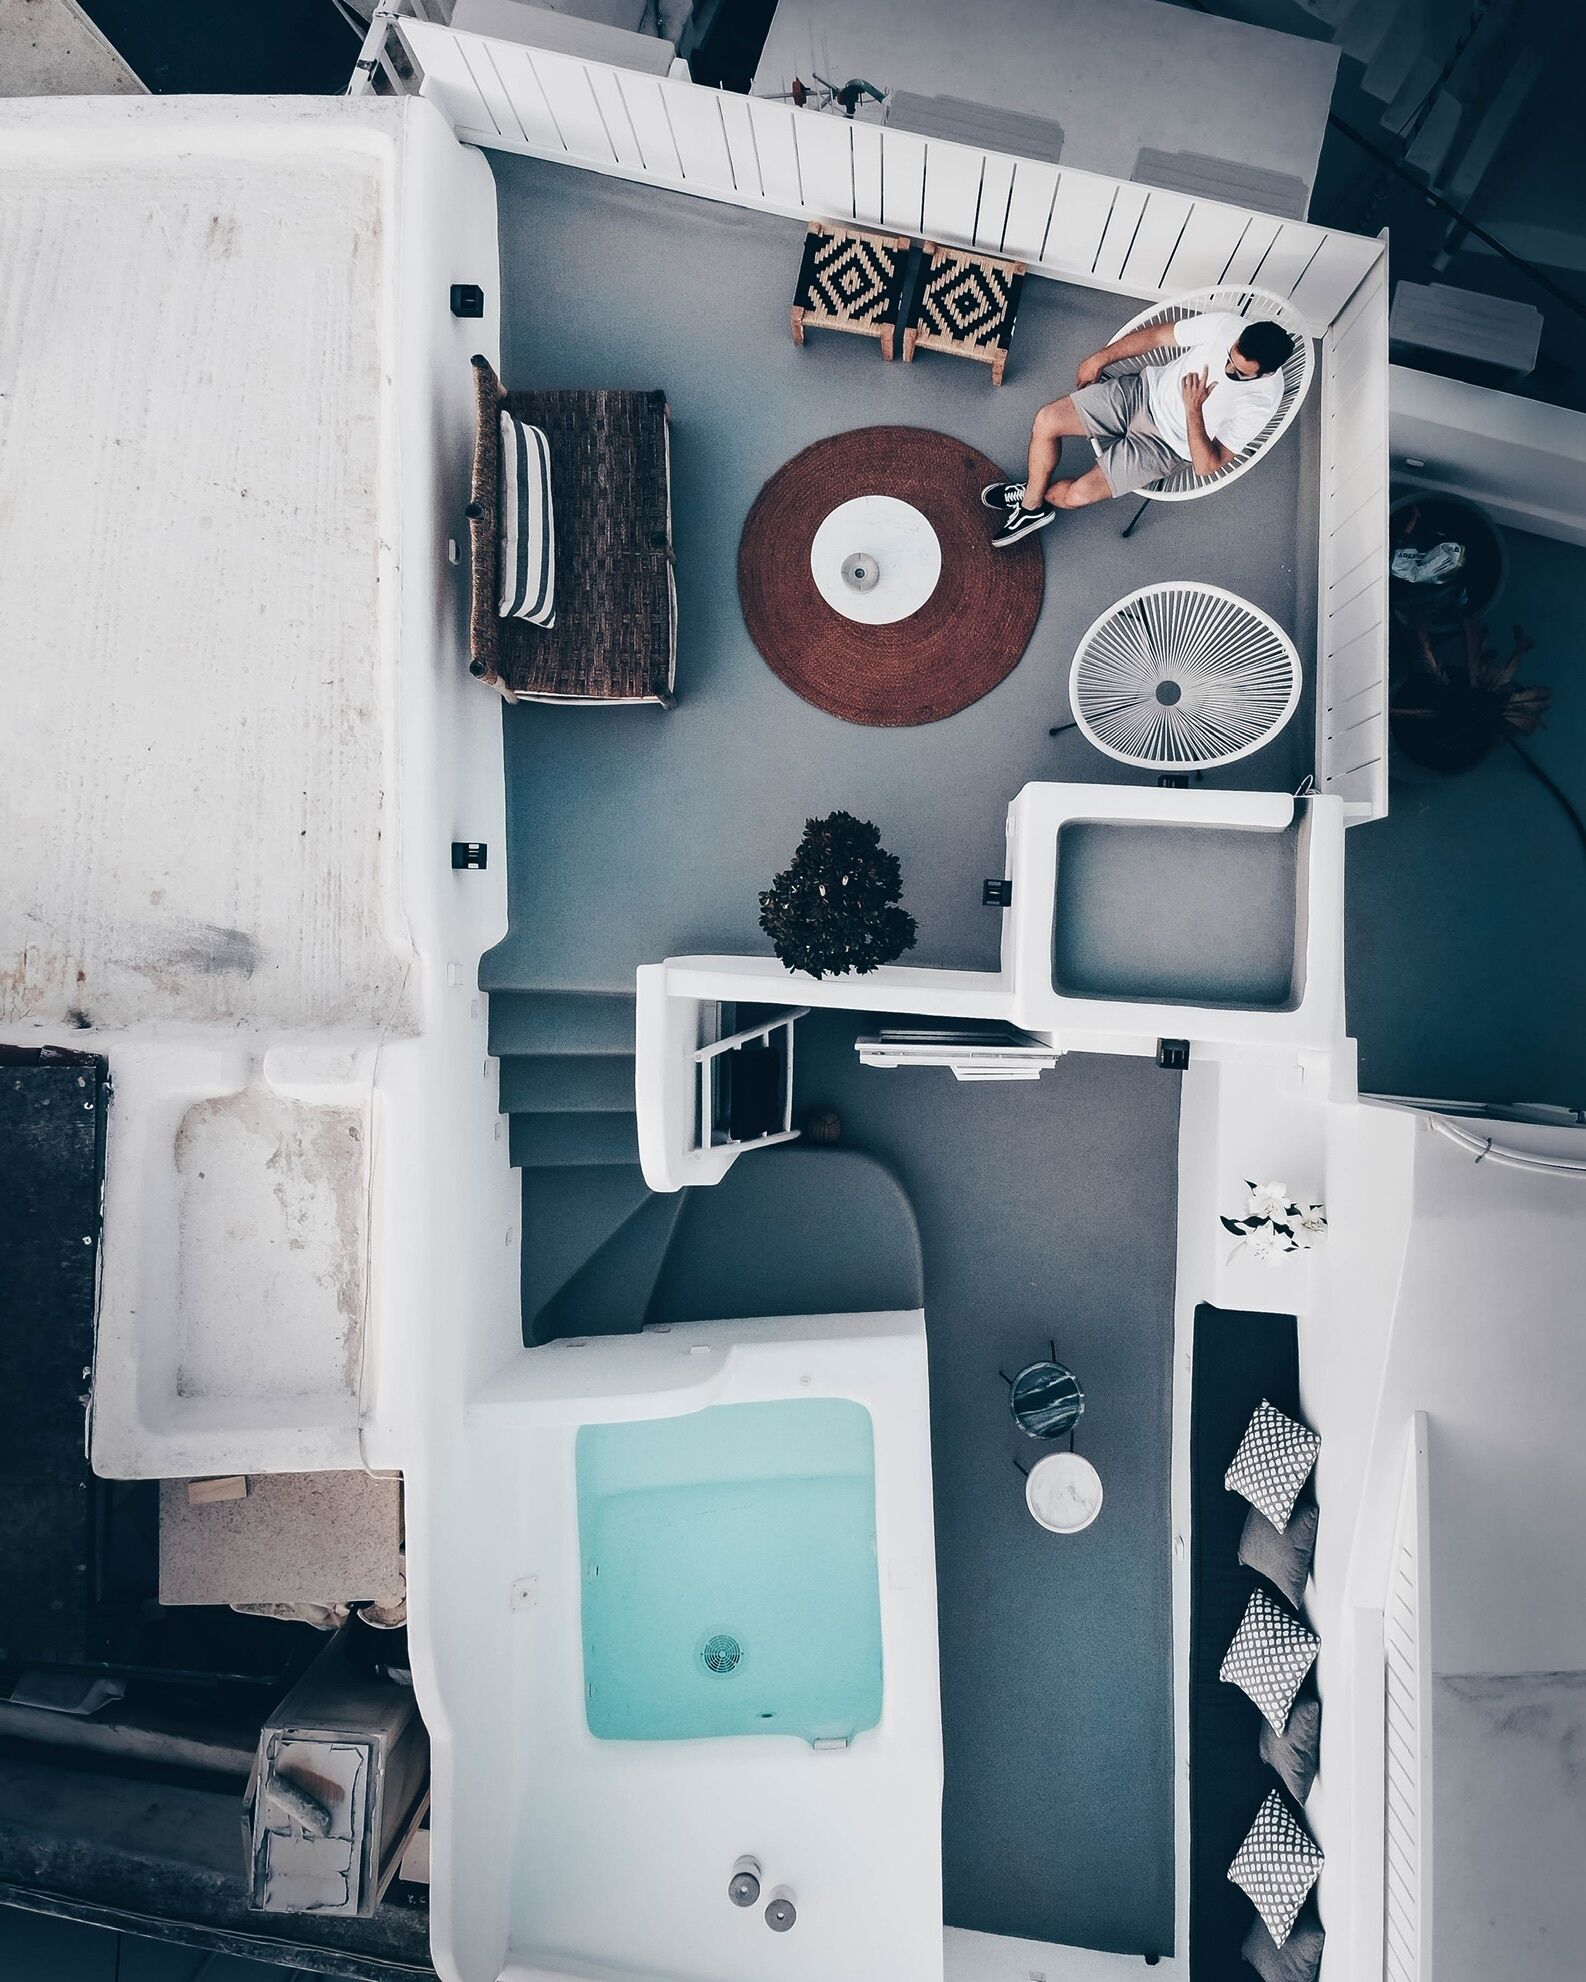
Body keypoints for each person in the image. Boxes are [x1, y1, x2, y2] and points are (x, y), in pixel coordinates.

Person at [986, 312, 1296, 547]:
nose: (1228, 369)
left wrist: (1193, 410)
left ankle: (1034, 495)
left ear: (1266, 373)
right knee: (1047, 420)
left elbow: (1207, 466)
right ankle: (1030, 503)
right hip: (1142, 393)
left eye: (1239, 373)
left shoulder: (1264, 401)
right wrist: (1099, 358)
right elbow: (1158, 336)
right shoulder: (1227, 326)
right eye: (1230, 357)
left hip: (1166, 447)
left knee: (1077, 496)